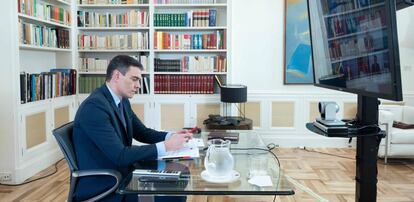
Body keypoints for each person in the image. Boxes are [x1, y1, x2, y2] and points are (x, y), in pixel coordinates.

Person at [73, 55, 191, 202]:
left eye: (139, 80)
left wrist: (171, 136)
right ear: (117, 76)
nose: (138, 86)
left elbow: (142, 132)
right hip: (107, 182)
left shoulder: (121, 101)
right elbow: (120, 155)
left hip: (123, 171)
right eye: (134, 79)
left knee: (181, 175)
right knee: (173, 192)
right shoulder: (94, 107)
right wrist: (167, 146)